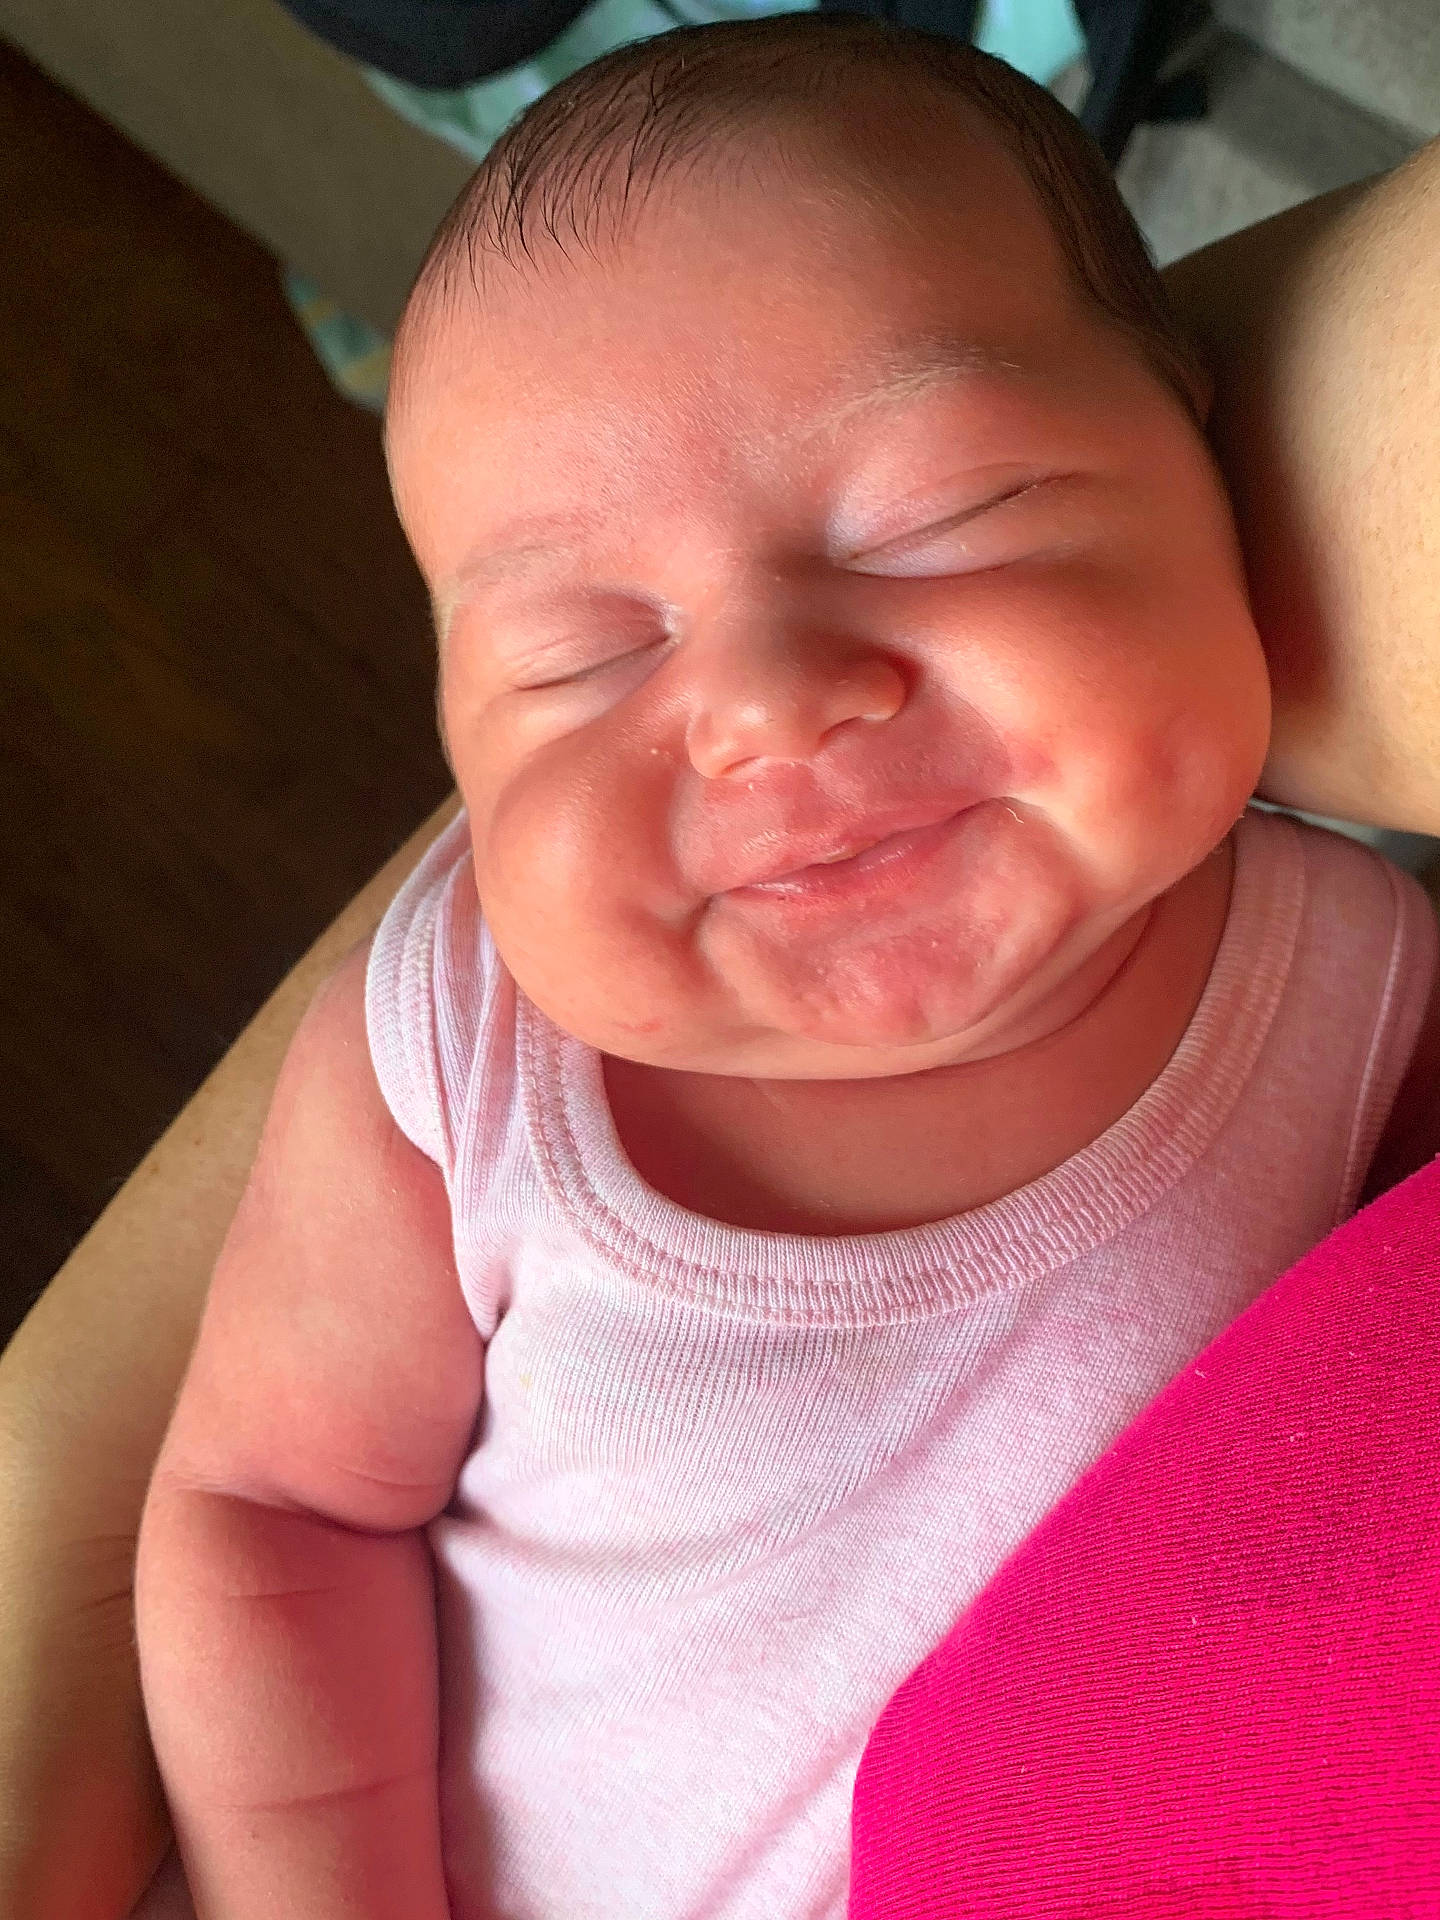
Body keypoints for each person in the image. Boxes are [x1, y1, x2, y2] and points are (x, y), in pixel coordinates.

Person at [1, 21, 1437, 1920]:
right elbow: (273, 1512)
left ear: (1216, 459)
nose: (764, 706)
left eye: (940, 517)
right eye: (580, 655)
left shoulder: (1367, 989)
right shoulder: (464, 1051)